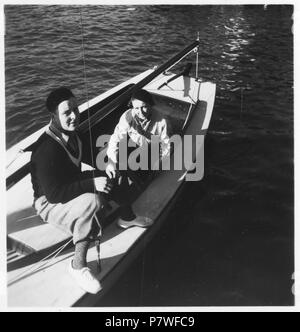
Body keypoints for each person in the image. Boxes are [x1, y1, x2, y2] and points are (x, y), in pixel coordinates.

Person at [30, 87, 152, 295]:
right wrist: (91, 184)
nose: (74, 116)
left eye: (75, 110)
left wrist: (110, 165)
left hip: (70, 185)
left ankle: (126, 217)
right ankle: (77, 265)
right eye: (67, 113)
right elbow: (54, 194)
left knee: (116, 173)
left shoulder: (74, 135)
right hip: (49, 203)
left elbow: (94, 156)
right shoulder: (46, 148)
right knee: (94, 202)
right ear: (54, 116)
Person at [106, 89, 172, 182]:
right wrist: (112, 161)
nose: (140, 112)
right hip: (134, 145)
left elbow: (166, 145)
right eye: (136, 108)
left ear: (150, 105)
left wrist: (160, 164)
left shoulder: (162, 121)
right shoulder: (127, 117)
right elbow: (115, 139)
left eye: (144, 107)